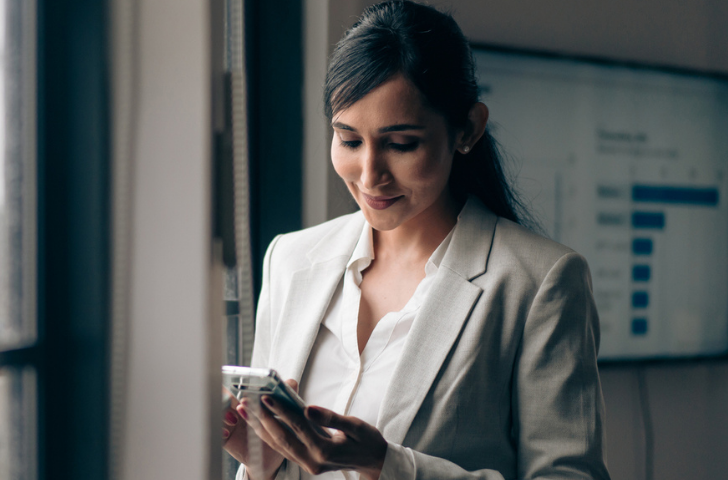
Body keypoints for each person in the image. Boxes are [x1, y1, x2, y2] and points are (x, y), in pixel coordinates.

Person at [221, 1, 611, 479]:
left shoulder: (539, 283)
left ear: (467, 129)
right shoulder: (291, 258)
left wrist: (387, 466)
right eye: (348, 140)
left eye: (401, 144)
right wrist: (263, 464)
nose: (369, 176)